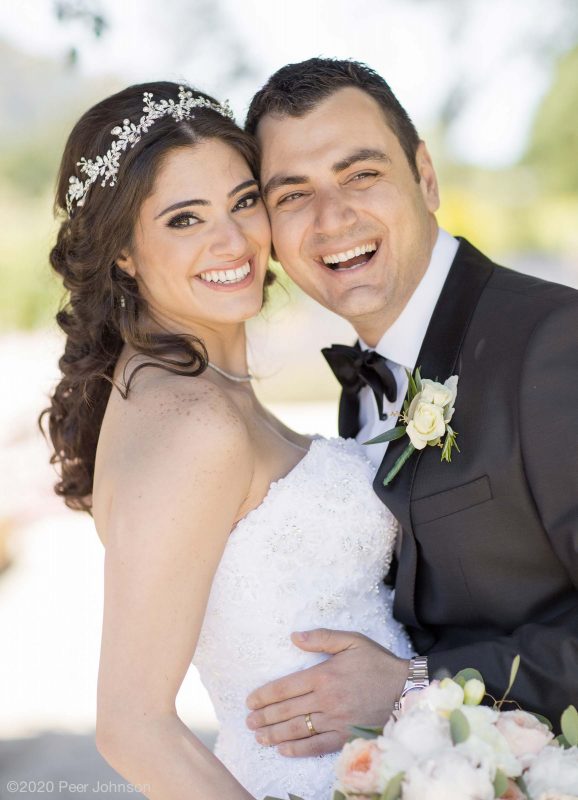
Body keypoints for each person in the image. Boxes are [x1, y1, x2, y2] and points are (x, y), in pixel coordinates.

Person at [41, 80, 413, 800]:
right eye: (184, 219)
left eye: (244, 202)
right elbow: (131, 725)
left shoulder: (190, 390)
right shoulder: (194, 423)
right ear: (123, 252)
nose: (233, 241)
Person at [242, 57, 578, 757]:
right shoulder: (363, 388)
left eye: (361, 174)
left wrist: (419, 684)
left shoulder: (555, 342)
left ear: (425, 177)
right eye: (292, 194)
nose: (333, 219)